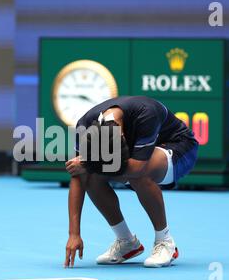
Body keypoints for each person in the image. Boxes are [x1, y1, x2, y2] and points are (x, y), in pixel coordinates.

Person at [64, 95, 198, 268]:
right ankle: (126, 242)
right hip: (137, 158)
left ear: (122, 132)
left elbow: (137, 168)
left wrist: (89, 164)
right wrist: (74, 234)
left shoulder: (146, 113)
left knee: (137, 174)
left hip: (180, 149)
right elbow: (78, 176)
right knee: (89, 176)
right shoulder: (84, 125)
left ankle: (165, 242)